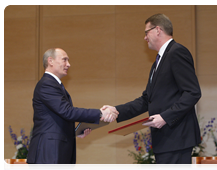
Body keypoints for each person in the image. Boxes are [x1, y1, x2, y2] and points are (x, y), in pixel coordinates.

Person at [102, 13, 201, 168]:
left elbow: (193, 92)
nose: (145, 37)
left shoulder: (177, 52)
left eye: (146, 32)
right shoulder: (157, 62)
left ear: (158, 30)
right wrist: (116, 110)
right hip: (166, 140)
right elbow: (147, 99)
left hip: (176, 137)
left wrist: (165, 117)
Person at [27, 48, 118, 169]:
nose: (68, 64)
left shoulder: (54, 84)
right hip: (47, 155)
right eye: (64, 60)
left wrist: (75, 132)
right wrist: (100, 113)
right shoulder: (47, 84)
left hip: (54, 156)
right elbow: (67, 112)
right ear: (50, 61)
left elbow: (58, 117)